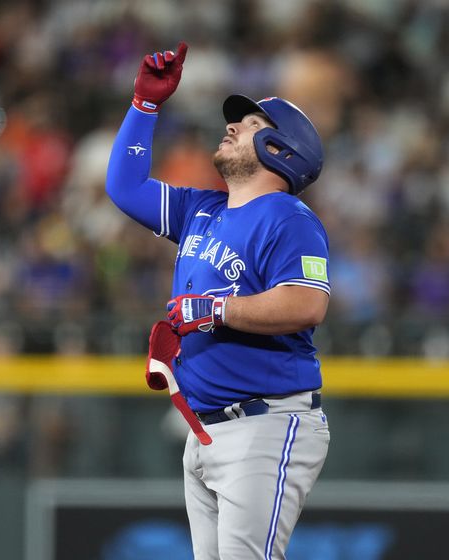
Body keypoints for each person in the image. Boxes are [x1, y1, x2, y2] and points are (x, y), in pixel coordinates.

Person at [106, 42, 331, 560]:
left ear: (281, 148)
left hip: (266, 423)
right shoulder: (201, 210)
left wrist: (216, 310)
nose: (231, 126)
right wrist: (144, 105)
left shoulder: (289, 219)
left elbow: (306, 303)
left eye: (251, 123)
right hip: (207, 428)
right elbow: (124, 186)